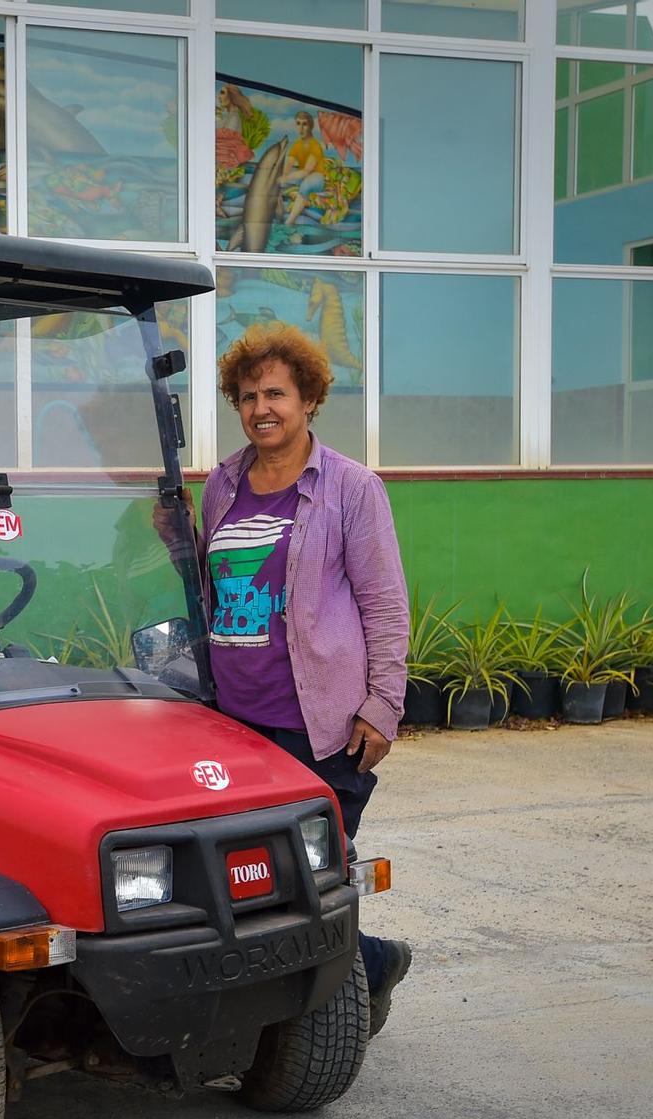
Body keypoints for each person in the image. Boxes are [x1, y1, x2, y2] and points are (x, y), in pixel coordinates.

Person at [201, 322, 413, 1034]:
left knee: (310, 885)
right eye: (249, 395)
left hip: (316, 726)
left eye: (276, 393)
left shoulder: (352, 487)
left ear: (310, 399)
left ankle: (362, 971)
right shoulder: (221, 486)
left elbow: (385, 603)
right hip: (236, 725)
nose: (262, 407)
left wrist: (384, 704)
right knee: (244, 883)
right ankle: (340, 980)